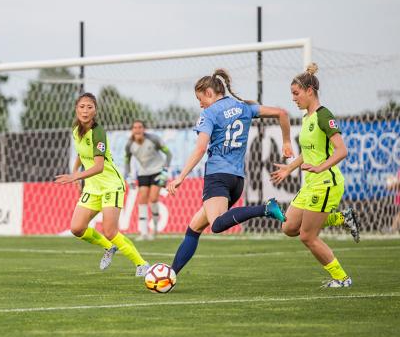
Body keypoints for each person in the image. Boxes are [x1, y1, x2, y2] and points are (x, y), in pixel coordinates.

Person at [166, 69, 293, 278]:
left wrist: (181, 177)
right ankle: (171, 274)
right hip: (237, 180)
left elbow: (199, 149)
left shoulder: (209, 113)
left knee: (216, 225)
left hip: (217, 177)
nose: (200, 104)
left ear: (209, 92)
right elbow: (282, 113)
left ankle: (265, 209)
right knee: (194, 227)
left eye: (200, 99)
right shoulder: (244, 107)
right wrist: (286, 142)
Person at [271, 63, 361, 288]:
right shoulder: (306, 118)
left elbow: (342, 150)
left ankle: (342, 278)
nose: (293, 98)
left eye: (296, 93)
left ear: (310, 91)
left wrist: (321, 168)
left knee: (307, 236)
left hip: (326, 183)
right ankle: (342, 218)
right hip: (311, 183)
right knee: (288, 227)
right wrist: (289, 168)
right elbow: (309, 153)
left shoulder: (323, 115)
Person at [55, 92, 150, 276]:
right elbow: (81, 154)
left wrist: (76, 177)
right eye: (82, 107)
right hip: (92, 187)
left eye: (89, 107)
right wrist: (76, 172)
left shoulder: (98, 132)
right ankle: (109, 248)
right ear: (76, 109)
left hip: (110, 185)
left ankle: (141, 264)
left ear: (95, 111)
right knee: (77, 228)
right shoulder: (76, 130)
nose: (85, 111)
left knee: (110, 230)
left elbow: (98, 167)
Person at [124, 120, 172, 240]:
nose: (137, 129)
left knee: (153, 198)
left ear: (144, 129)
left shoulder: (153, 139)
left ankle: (154, 229)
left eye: (140, 127)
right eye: (135, 127)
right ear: (132, 130)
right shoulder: (130, 145)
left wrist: (165, 172)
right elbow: (126, 161)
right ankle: (143, 232)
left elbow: (169, 154)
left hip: (158, 171)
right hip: (143, 173)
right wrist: (128, 176)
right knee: (142, 200)